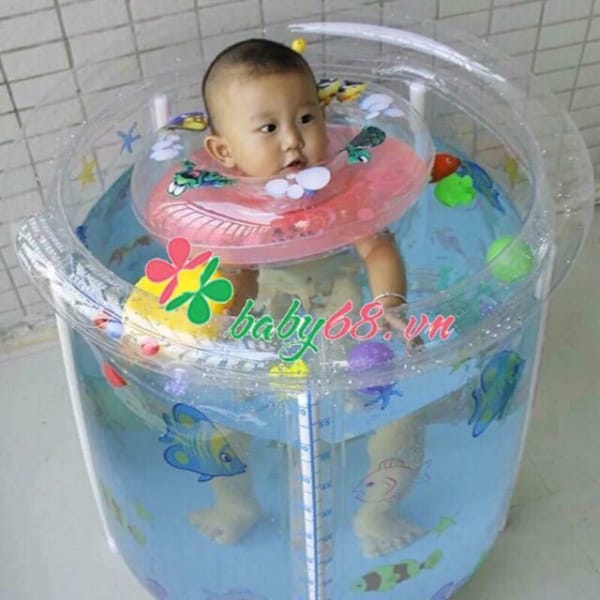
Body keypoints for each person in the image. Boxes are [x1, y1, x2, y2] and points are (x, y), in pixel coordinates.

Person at [186, 38, 425, 558]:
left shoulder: (344, 189)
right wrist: (225, 326)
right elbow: (235, 278)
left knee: (403, 417)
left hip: (344, 321)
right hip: (269, 327)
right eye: (268, 128)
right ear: (224, 151)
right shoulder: (226, 208)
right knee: (218, 418)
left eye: (306, 118)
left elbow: (378, 248)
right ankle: (234, 504)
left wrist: (389, 306)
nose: (293, 141)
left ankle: (378, 512)